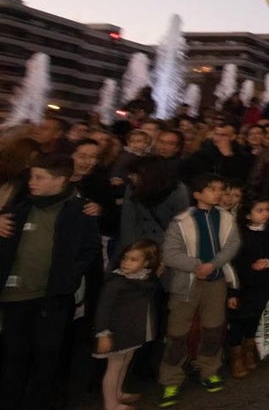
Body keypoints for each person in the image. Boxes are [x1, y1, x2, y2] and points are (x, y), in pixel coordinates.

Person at [0, 153, 102, 410]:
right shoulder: (19, 206)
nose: (32, 182)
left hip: (53, 299)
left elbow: (89, 250)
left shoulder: (81, 211)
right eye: (31, 176)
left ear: (60, 180)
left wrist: (68, 278)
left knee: (46, 360)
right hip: (15, 298)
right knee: (13, 358)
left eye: (39, 177)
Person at [158, 174, 241, 407]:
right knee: (177, 334)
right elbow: (170, 254)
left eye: (220, 189)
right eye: (212, 189)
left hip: (215, 282)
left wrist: (212, 265)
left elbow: (232, 245)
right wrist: (196, 266)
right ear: (197, 194)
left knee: (213, 329)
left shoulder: (226, 218)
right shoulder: (182, 221)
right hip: (187, 285)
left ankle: (208, 370)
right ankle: (170, 380)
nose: (217, 193)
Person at [93, 240, 162, 410]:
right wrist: (102, 333)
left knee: (125, 360)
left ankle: (118, 393)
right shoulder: (115, 283)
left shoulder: (142, 278)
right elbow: (102, 310)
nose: (126, 263)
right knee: (114, 366)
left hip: (131, 332)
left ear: (146, 263)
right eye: (125, 258)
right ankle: (110, 404)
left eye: (133, 260)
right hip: (116, 333)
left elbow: (149, 285)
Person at [225, 197, 269, 379]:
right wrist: (232, 291)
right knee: (238, 321)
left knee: (254, 318)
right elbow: (231, 264)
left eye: (267, 210)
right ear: (248, 214)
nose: (265, 214)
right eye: (259, 210)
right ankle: (236, 358)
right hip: (241, 285)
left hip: (261, 285)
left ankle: (249, 351)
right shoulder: (239, 235)